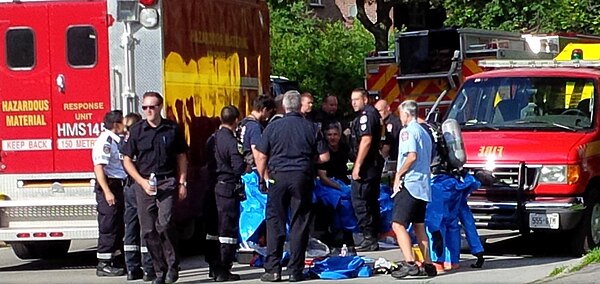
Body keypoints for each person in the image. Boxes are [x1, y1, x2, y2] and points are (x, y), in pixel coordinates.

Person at [255, 90, 329, 282]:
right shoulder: (312, 127)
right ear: (299, 106)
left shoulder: (273, 127)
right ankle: (295, 271)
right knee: (299, 223)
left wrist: (262, 177)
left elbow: (261, 156)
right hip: (302, 177)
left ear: (284, 107)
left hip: (277, 177)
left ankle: (272, 269)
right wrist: (306, 159)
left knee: (275, 222)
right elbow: (324, 157)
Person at [121, 91, 189, 284]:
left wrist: (182, 182)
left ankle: (173, 265)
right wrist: (140, 182)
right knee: (148, 229)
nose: (148, 111)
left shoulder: (172, 129)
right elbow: (126, 160)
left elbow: (182, 156)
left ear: (160, 107)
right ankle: (159, 271)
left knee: (165, 224)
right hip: (144, 184)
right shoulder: (137, 131)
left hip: (167, 181)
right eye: (145, 108)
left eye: (152, 107)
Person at [390, 100, 436, 279]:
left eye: (400, 114)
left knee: (398, 224)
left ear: (406, 114)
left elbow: (411, 156)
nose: (399, 117)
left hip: (410, 183)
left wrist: (398, 174)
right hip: (424, 185)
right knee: (419, 226)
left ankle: (409, 262)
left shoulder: (407, 132)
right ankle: (428, 264)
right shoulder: (424, 132)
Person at [121, 112, 156, 281]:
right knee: (146, 226)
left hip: (128, 186)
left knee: (130, 228)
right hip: (140, 185)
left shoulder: (124, 142)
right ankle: (148, 268)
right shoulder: (139, 139)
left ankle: (132, 268)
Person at [213, 105, 246, 282]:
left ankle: (214, 265)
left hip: (215, 186)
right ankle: (224, 269)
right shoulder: (231, 142)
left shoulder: (213, 138)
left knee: (214, 229)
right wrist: (246, 166)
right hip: (228, 188)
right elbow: (239, 167)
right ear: (236, 121)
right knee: (228, 231)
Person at [92, 110, 127, 277]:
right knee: (108, 225)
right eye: (122, 122)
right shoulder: (105, 141)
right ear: (116, 125)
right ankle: (104, 263)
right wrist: (107, 191)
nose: (125, 125)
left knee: (118, 225)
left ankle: (116, 259)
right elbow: (99, 167)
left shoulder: (116, 141)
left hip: (118, 186)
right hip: (109, 186)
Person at [348, 88, 384, 252]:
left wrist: (357, 166)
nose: (353, 102)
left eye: (357, 99)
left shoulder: (367, 116)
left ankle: (369, 237)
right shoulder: (370, 114)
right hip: (371, 165)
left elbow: (366, 140)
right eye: (352, 99)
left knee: (361, 200)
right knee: (370, 200)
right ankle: (372, 236)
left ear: (365, 99)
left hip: (367, 166)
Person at [314, 122, 355, 253]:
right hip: (327, 184)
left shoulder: (344, 148)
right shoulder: (324, 151)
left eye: (335, 134)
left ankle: (349, 242)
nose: (332, 137)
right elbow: (323, 177)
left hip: (342, 182)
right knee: (339, 205)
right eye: (329, 135)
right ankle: (337, 242)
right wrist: (339, 187)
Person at [237, 96, 275, 171]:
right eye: (269, 112)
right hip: (252, 169)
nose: (268, 116)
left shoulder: (242, 123)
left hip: (242, 165)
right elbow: (257, 154)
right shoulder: (255, 127)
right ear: (264, 110)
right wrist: (264, 176)